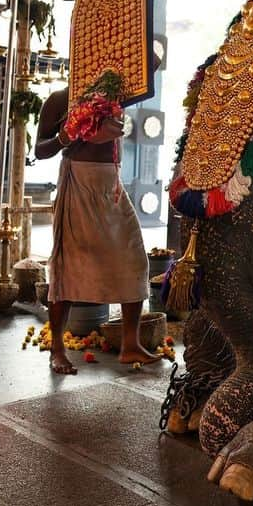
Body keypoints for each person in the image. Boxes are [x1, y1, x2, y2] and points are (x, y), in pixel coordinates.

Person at [35, 87, 160, 374]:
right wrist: (64, 136)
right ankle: (57, 349)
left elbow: (151, 64)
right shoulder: (59, 100)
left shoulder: (117, 92)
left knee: (135, 261)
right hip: (78, 179)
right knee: (67, 266)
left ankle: (130, 344)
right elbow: (40, 151)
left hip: (111, 183)